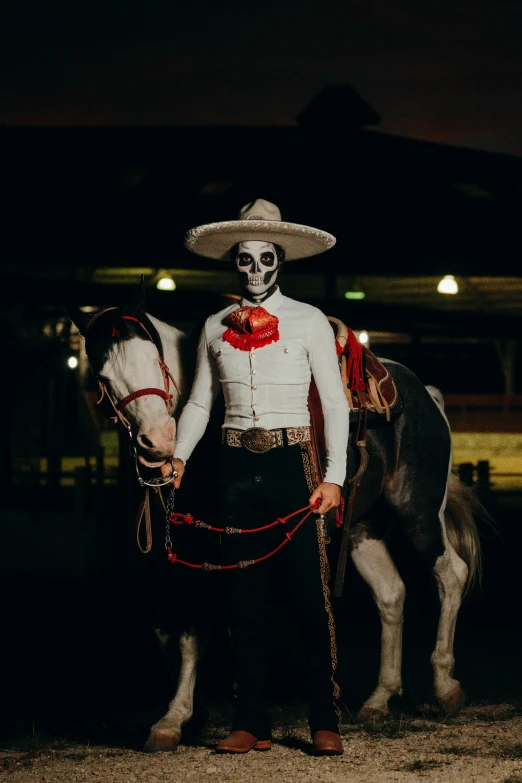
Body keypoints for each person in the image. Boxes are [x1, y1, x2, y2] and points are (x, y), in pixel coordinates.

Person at [163, 199, 349, 755]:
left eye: (263, 258)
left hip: (293, 463)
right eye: (244, 260)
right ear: (235, 264)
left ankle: (325, 717)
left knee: (307, 594)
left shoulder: (310, 320)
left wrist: (334, 476)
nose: (254, 270)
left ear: (279, 259)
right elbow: (199, 403)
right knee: (242, 595)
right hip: (233, 464)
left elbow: (335, 404)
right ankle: (253, 721)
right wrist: (181, 459)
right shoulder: (213, 326)